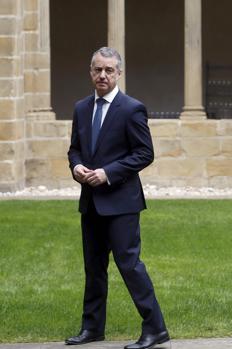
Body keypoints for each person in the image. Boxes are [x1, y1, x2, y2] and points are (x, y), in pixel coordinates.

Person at [66, 47, 169, 349]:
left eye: (109, 70)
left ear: (119, 73)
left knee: (129, 266)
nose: (103, 75)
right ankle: (92, 329)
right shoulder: (81, 108)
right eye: (98, 69)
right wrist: (76, 166)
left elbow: (144, 153)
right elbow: (74, 148)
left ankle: (155, 328)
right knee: (93, 268)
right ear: (90, 72)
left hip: (122, 201)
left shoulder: (131, 108)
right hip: (91, 201)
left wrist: (107, 173)